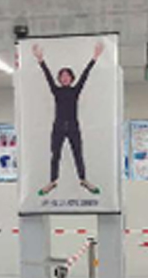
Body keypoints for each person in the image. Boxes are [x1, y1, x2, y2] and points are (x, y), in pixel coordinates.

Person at [33, 41, 104, 196]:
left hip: (73, 126)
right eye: (62, 76)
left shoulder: (75, 90)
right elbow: (48, 77)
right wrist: (40, 61)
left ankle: (84, 179)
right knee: (55, 155)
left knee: (78, 153)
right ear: (60, 79)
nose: (64, 78)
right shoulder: (56, 91)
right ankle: (52, 181)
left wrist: (94, 58)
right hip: (58, 126)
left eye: (67, 76)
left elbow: (85, 76)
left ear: (71, 78)